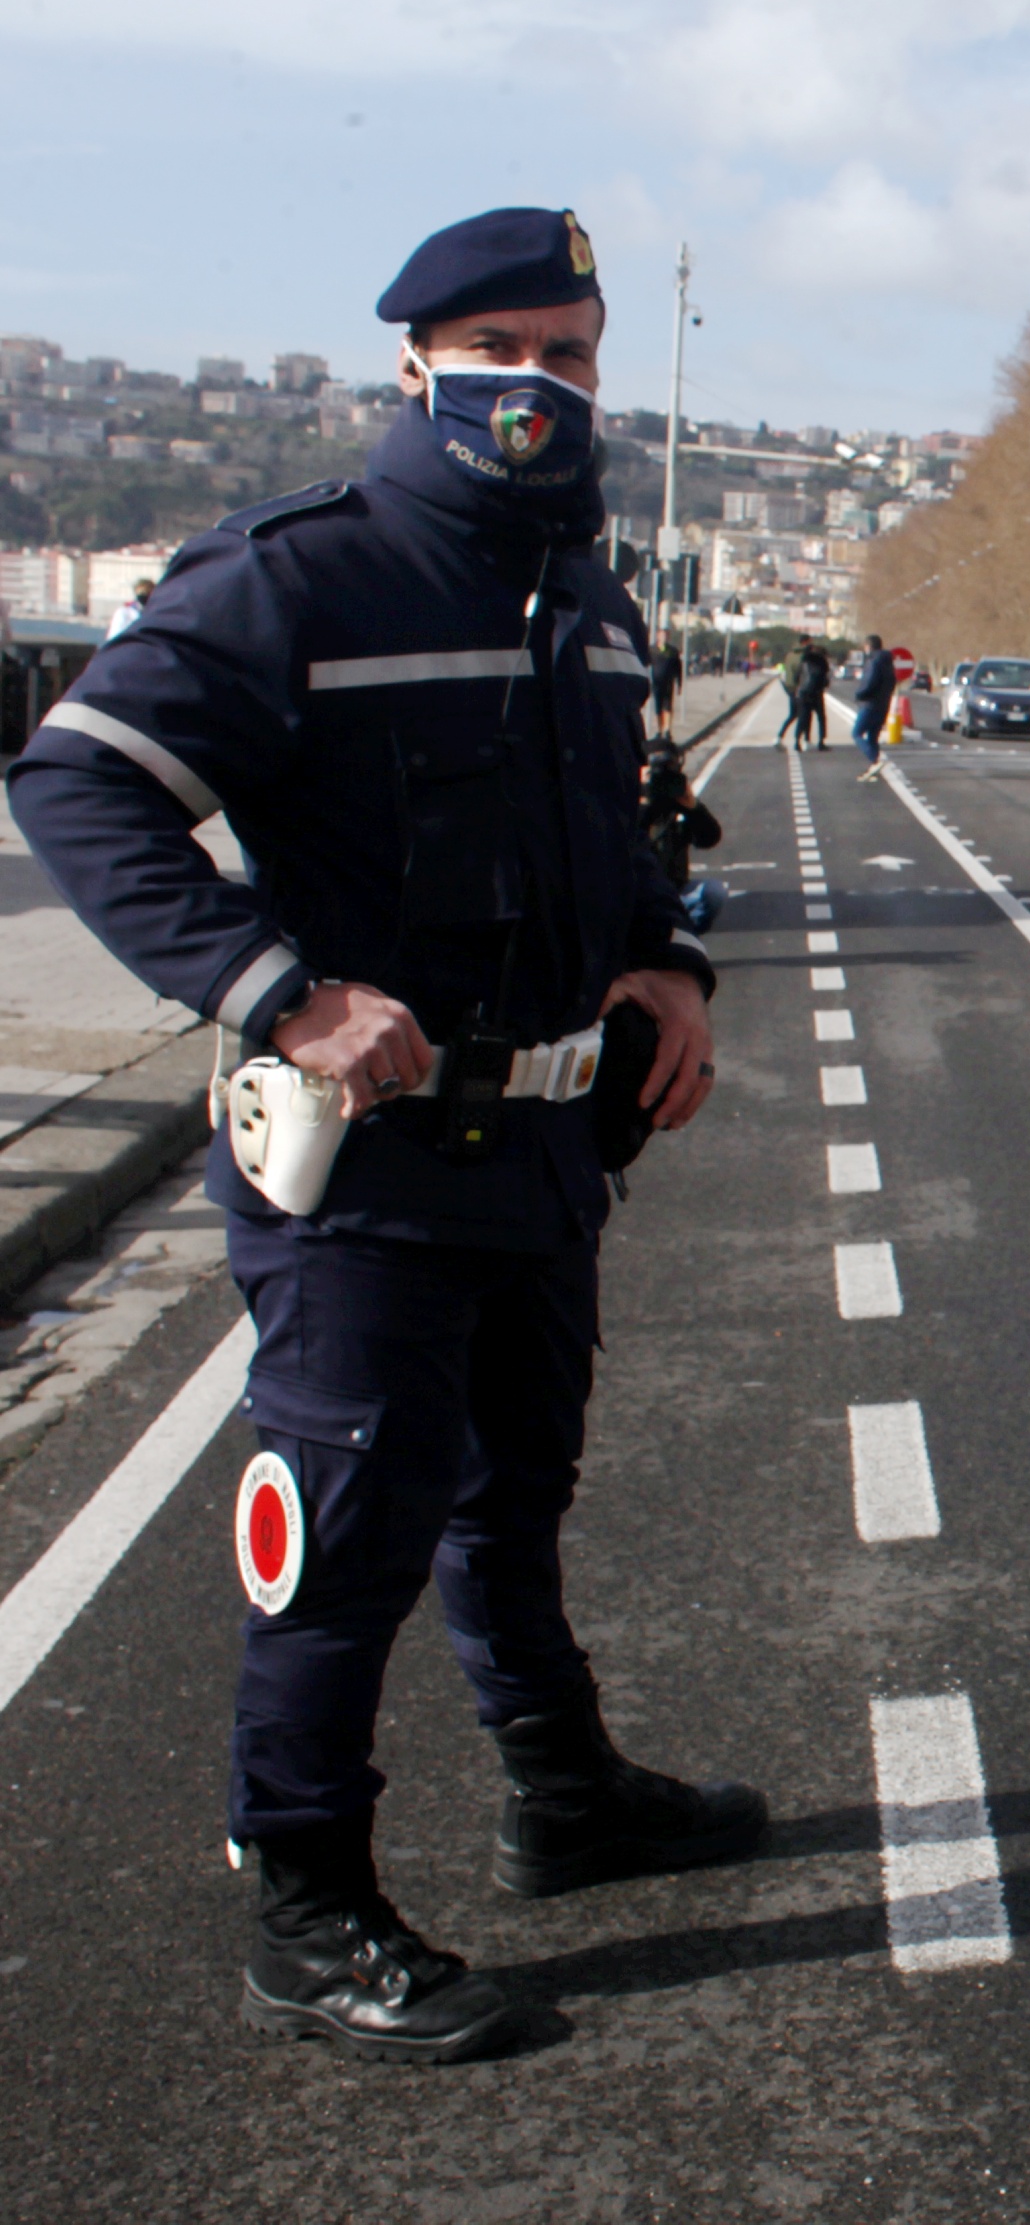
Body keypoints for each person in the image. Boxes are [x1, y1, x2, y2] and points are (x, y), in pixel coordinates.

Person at [5, 206, 765, 2069]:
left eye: (570, 353)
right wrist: (276, 990)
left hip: (546, 1154)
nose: (538, 386)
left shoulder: (590, 600)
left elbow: (622, 838)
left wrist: (667, 966)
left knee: (517, 1493)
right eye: (500, 350)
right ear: (417, 364)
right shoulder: (305, 576)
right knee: (343, 1538)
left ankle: (561, 1792)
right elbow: (78, 780)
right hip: (365, 1166)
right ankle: (306, 1903)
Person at [852, 631, 893, 781]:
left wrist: (859, 694)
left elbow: (869, 683)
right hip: (883, 705)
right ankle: (874, 767)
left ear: (869, 646)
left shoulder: (873, 662)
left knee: (856, 733)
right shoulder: (888, 663)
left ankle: (875, 761)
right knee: (872, 738)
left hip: (870, 704)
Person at [788, 636, 832, 750]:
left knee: (803, 717)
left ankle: (797, 741)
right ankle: (821, 742)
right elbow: (826, 680)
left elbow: (796, 677)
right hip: (817, 693)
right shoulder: (823, 662)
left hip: (804, 693)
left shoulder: (804, 661)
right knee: (821, 718)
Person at [648, 638, 682, 735]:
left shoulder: (672, 651)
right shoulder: (652, 649)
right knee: (658, 707)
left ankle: (667, 729)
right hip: (656, 682)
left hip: (668, 682)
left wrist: (679, 684)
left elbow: (678, 668)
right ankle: (659, 730)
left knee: (667, 706)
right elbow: (645, 664)